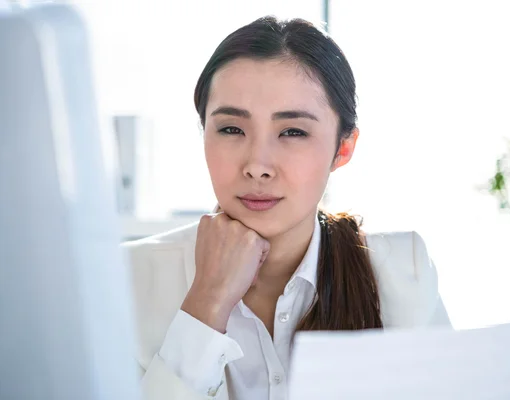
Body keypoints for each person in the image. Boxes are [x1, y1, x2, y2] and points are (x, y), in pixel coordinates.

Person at [124, 16, 451, 400]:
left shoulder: (402, 271)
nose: (257, 165)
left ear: (343, 148)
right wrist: (206, 303)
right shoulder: (124, 280)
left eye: (292, 131)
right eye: (231, 129)